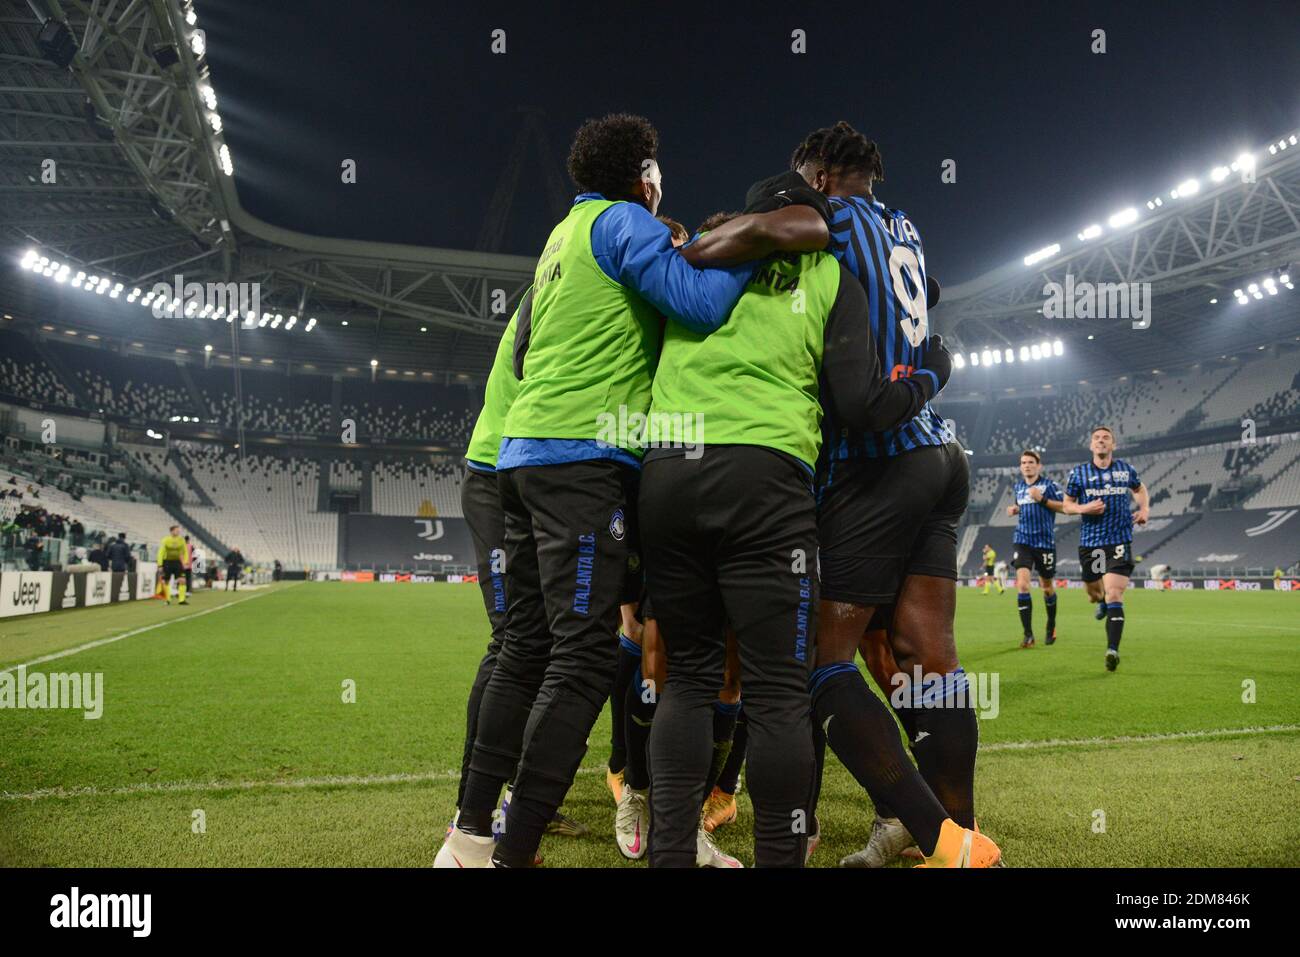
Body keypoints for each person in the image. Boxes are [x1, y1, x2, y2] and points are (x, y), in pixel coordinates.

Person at [438, 112, 755, 870]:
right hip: (584, 458)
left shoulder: (563, 234)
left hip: (521, 458)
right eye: (658, 171)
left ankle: (470, 836)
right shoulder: (624, 224)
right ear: (644, 175)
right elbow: (702, 303)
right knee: (582, 659)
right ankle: (510, 854)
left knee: (524, 650)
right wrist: (753, 248)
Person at [682, 123, 1001, 867]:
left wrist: (706, 242)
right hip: (939, 452)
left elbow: (772, 232)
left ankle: (928, 835)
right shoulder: (907, 229)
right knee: (929, 658)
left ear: (820, 176)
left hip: (874, 458)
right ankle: (958, 828)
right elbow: (932, 294)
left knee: (817, 662)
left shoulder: (829, 224)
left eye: (800, 178)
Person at [1062, 426, 1150, 671]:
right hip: (1091, 544)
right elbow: (1067, 505)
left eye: (1106, 438)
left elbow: (1140, 488)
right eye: (1097, 439)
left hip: (1119, 541)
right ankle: (1099, 600)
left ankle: (1112, 650)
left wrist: (1144, 510)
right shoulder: (1078, 473)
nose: (1101, 442)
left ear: (1113, 445)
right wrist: (1083, 508)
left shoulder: (1125, 470)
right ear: (1091, 445)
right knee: (1094, 594)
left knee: (1114, 594)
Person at [1008, 450, 1065, 647]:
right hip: (1022, 540)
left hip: (1045, 543)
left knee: (1047, 588)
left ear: (1039, 466)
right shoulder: (1019, 487)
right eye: (1023, 462)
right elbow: (1020, 505)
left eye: (1031, 462)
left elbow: (1064, 507)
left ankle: (1051, 625)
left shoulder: (1049, 486)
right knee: (1023, 585)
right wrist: (1015, 509)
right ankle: (1028, 635)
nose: (1027, 465)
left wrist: (1042, 499)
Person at [158, 525, 189, 605]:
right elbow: (160, 552)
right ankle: (167, 600)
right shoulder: (166, 540)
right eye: (176, 530)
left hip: (177, 562)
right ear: (171, 531)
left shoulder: (181, 540)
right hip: (167, 562)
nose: (178, 532)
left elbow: (185, 551)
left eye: (179, 530)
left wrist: (185, 562)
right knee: (166, 581)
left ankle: (181, 600)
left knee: (182, 580)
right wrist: (160, 565)